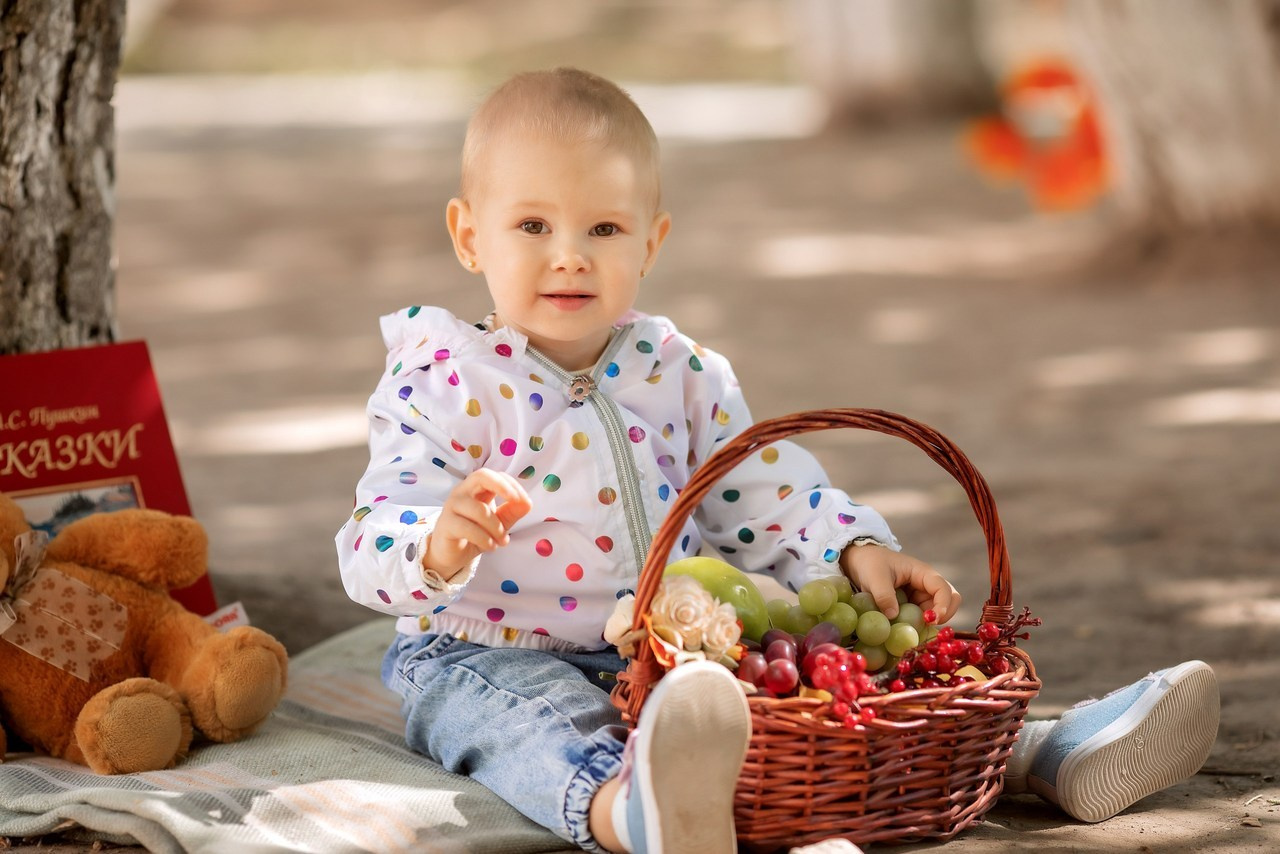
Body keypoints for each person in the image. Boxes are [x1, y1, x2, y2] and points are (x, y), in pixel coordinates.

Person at [336, 67, 1219, 854]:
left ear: (651, 242)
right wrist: (436, 543)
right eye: (532, 224)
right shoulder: (444, 381)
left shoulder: (676, 371)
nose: (570, 253)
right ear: (468, 236)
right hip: (491, 647)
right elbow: (375, 529)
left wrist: (849, 548)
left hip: (683, 645)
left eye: (604, 227)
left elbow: (769, 490)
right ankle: (629, 811)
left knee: (815, 682)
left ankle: (1026, 748)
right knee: (527, 724)